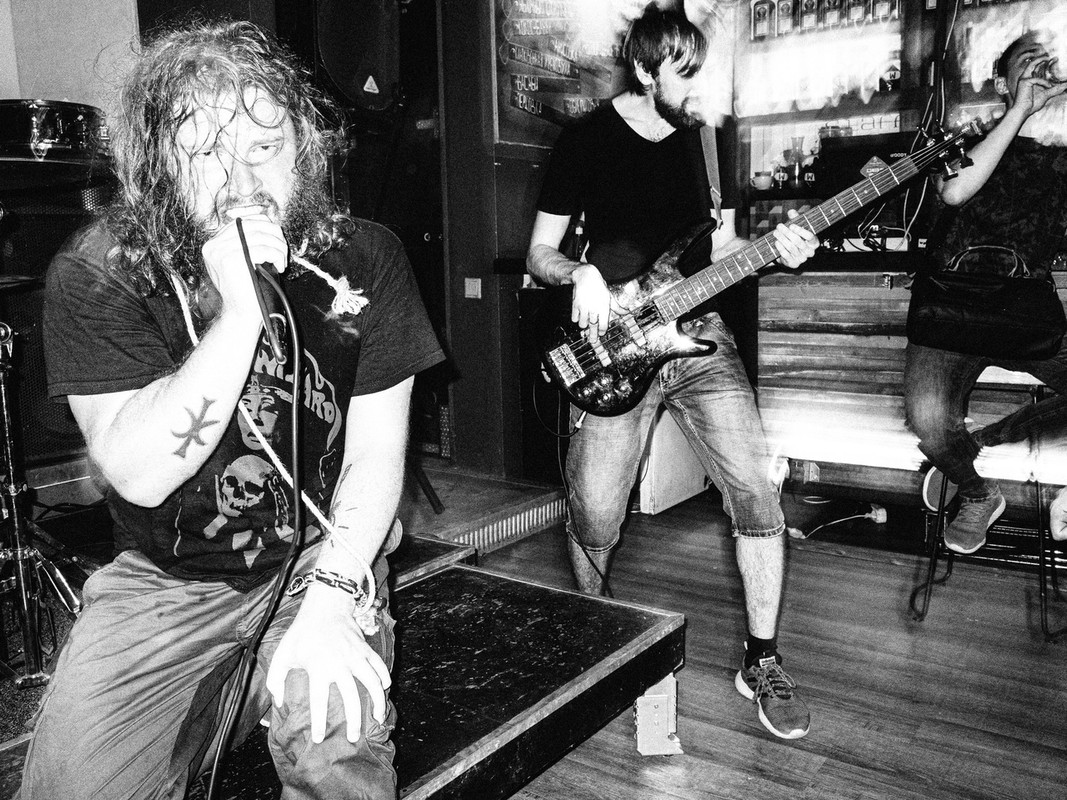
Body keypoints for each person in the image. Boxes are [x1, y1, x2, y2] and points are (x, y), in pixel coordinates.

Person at [21, 20, 443, 800]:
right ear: (159, 166)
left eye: (264, 146)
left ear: (302, 149)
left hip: (323, 555)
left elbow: (376, 454)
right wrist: (243, 313)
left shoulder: (365, 258)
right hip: (165, 580)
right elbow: (140, 475)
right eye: (206, 152)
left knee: (334, 750)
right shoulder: (98, 273)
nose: (242, 180)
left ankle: (267, 681)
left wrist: (334, 599)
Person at [526, 4, 819, 741]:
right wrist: (580, 274)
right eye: (683, 75)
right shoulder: (586, 141)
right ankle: (600, 635)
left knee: (756, 492)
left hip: (699, 336)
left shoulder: (705, 141)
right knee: (596, 514)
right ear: (644, 69)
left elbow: (719, 250)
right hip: (615, 345)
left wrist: (775, 250)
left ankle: (761, 660)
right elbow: (539, 253)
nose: (696, 90)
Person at [905, 30, 1067, 556]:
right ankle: (977, 492)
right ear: (1001, 83)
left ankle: (980, 442)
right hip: (951, 305)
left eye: (1049, 59)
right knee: (928, 422)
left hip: (1023, 309)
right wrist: (1020, 111)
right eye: (1028, 60)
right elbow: (954, 190)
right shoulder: (966, 136)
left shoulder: (1061, 151)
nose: (1042, 68)